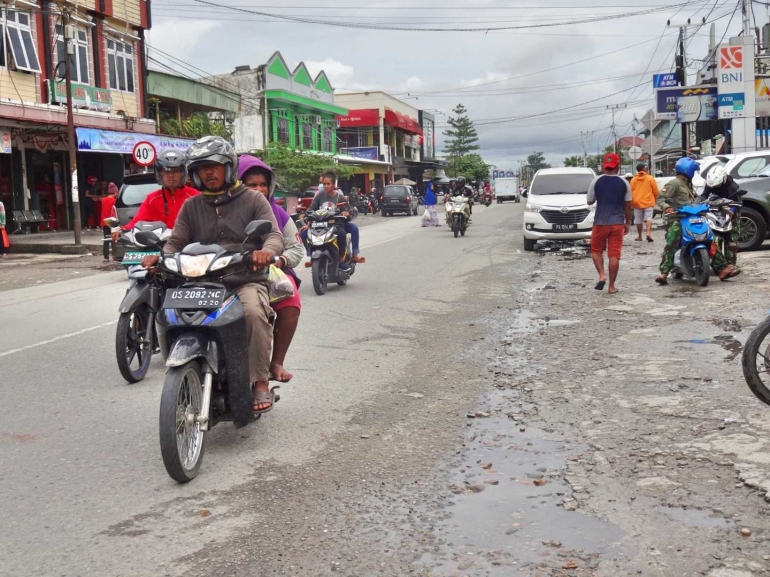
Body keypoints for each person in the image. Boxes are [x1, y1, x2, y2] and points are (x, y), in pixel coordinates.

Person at [145, 136, 285, 414]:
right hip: (200, 281)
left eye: (214, 166)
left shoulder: (253, 199)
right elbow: (176, 241)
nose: (208, 172)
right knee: (172, 313)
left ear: (228, 167)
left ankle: (259, 381)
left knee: (254, 314)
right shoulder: (192, 206)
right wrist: (162, 257)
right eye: (201, 167)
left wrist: (265, 252)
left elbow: (272, 234)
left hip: (243, 279)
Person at [238, 155, 304, 383]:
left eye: (263, 184)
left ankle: (276, 363)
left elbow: (296, 249)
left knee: (291, 300)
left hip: (271, 274)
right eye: (251, 185)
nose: (258, 190)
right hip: (230, 273)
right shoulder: (226, 210)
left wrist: (280, 261)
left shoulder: (280, 215)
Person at [655, 157, 738, 285]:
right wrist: (668, 208)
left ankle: (722, 268)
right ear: (688, 170)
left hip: (692, 218)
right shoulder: (674, 183)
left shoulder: (688, 184)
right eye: (693, 171)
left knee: (709, 238)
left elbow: (697, 201)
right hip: (678, 219)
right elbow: (660, 199)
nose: (694, 174)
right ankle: (664, 273)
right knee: (672, 240)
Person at [113, 149, 199, 240]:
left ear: (182, 173)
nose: (171, 175)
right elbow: (137, 222)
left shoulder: (196, 197)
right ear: (160, 173)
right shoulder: (151, 199)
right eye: (166, 171)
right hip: (159, 247)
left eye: (176, 171)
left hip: (189, 246)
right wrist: (122, 229)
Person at [586, 153, 632, 295]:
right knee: (614, 255)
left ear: (603, 167)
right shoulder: (624, 182)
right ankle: (611, 286)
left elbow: (590, 201)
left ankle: (602, 275)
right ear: (618, 167)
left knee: (596, 250)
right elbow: (628, 204)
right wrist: (627, 223)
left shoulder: (596, 181)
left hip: (600, 222)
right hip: (617, 223)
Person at [302, 170, 366, 267]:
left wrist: (346, 213)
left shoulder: (339, 197)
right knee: (303, 233)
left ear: (333, 184)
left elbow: (349, 211)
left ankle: (343, 257)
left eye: (328, 184)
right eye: (324, 184)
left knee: (342, 233)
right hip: (320, 225)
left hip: (336, 224)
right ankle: (312, 257)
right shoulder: (319, 196)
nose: (326, 186)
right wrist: (307, 217)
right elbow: (310, 209)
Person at [702, 165, 743, 268]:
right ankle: (718, 263)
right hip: (715, 210)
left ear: (724, 179)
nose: (715, 188)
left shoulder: (733, 187)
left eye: (717, 186)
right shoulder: (710, 184)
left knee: (732, 239)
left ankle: (731, 264)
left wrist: (732, 211)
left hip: (731, 210)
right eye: (713, 187)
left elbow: (738, 203)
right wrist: (699, 203)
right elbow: (704, 195)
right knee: (711, 235)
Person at [630, 163, 659, 243]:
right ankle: (648, 233)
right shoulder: (650, 178)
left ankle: (639, 236)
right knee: (648, 218)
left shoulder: (633, 179)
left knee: (638, 220)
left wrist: (631, 203)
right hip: (648, 201)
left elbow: (630, 191)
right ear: (644, 169)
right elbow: (655, 191)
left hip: (637, 202)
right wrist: (656, 200)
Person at [101, 183, 118, 262]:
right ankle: (114, 255)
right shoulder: (114, 201)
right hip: (112, 221)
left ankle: (106, 256)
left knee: (106, 239)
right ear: (115, 192)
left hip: (104, 222)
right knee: (114, 239)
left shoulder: (103, 200)